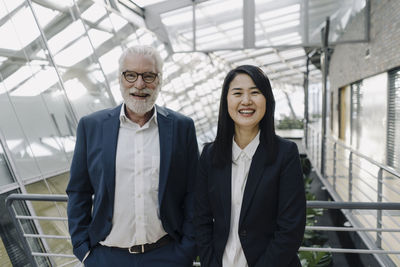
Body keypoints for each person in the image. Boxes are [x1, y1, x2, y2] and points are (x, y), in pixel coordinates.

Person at [66, 45, 198, 267]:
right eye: (131, 75)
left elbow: (194, 192)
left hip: (167, 255)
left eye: (148, 76)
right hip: (106, 257)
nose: (139, 84)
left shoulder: (182, 127)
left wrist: (186, 250)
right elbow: (79, 191)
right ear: (120, 78)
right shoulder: (91, 126)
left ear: (159, 80)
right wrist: (83, 249)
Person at [195, 65, 306, 267]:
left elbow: (291, 229)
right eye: (237, 93)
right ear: (226, 100)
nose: (246, 101)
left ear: (267, 100)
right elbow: (201, 221)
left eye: (255, 92)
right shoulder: (210, 155)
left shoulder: (285, 153)